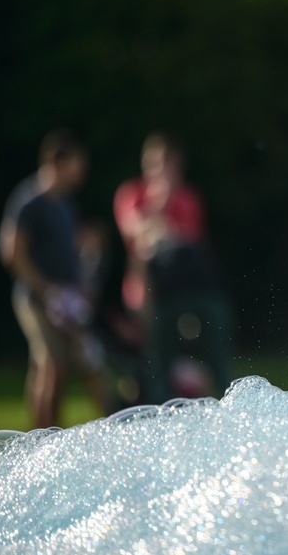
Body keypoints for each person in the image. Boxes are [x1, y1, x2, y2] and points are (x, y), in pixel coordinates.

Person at [0, 129, 107, 428]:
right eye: (76, 162)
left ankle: (43, 435)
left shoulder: (66, 204)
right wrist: (47, 290)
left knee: (48, 369)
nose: (81, 170)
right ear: (57, 161)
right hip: (36, 299)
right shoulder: (29, 200)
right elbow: (11, 251)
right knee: (53, 364)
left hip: (64, 300)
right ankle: (44, 438)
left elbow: (68, 252)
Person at [113, 132, 232, 402]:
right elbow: (134, 233)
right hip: (145, 291)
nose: (161, 171)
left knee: (199, 347)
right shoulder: (131, 193)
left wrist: (155, 227)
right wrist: (160, 203)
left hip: (183, 289)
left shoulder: (188, 198)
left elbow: (186, 244)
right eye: (155, 164)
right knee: (151, 359)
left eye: (167, 164)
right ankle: (147, 402)